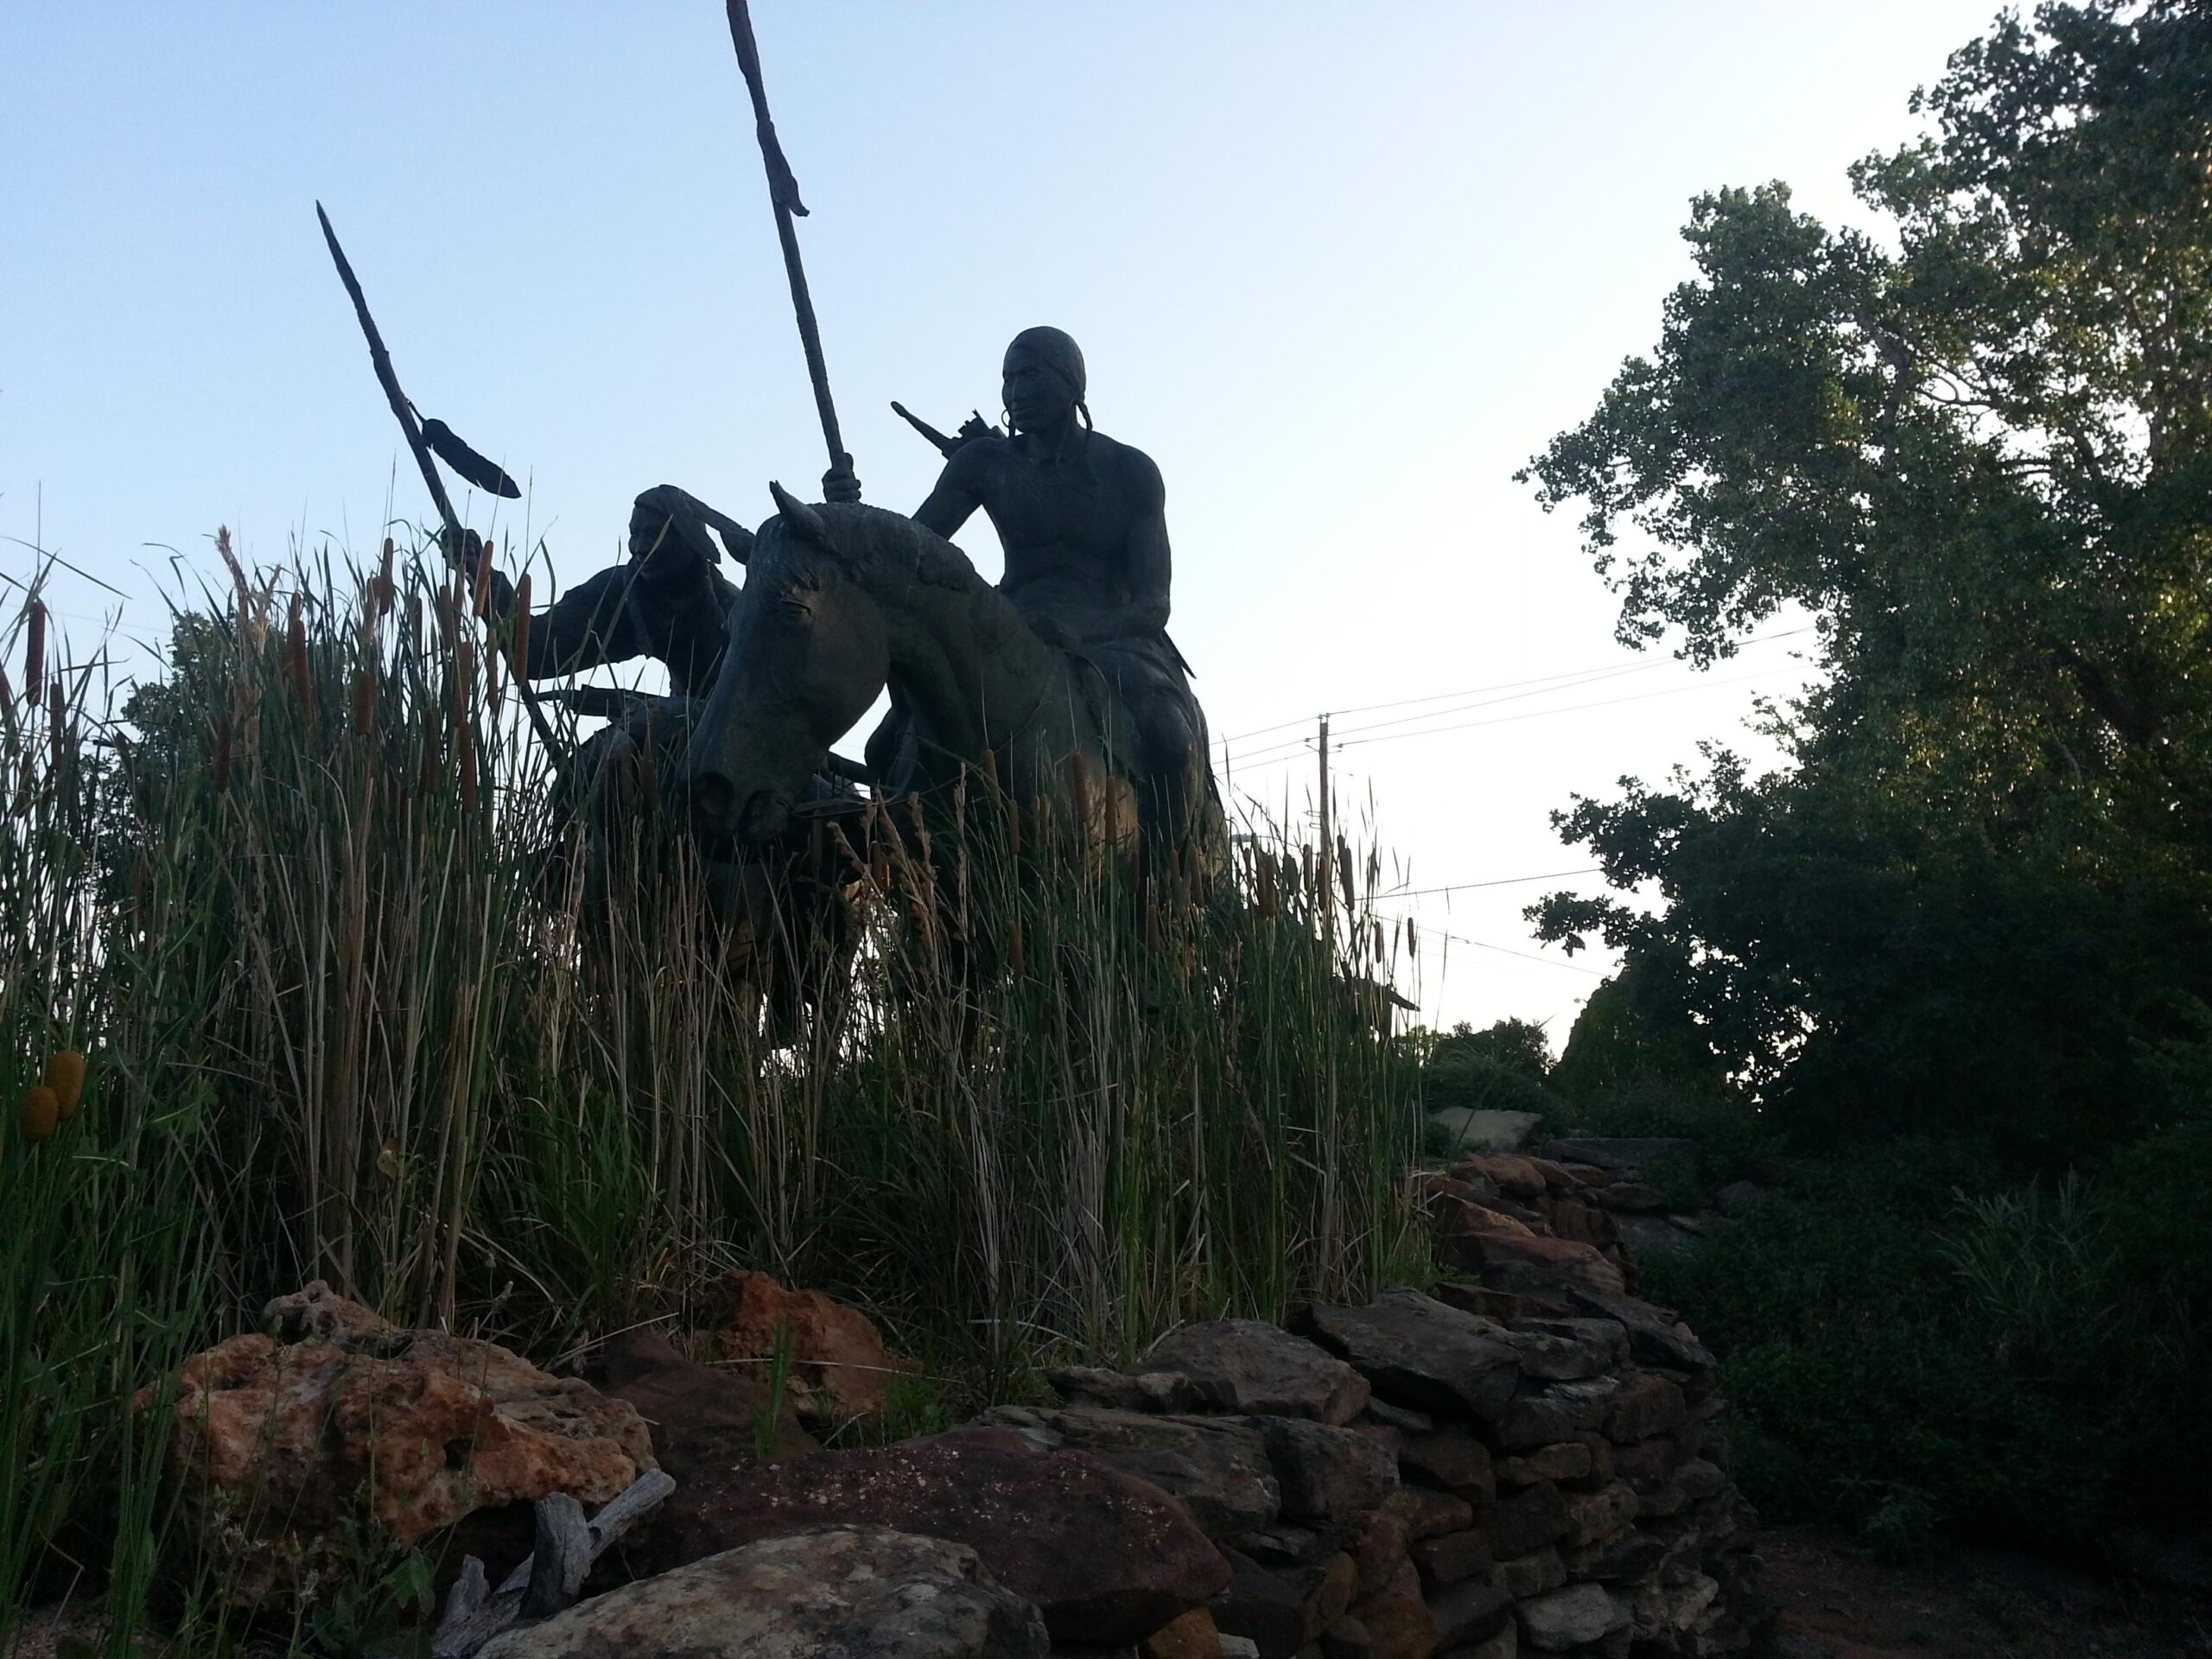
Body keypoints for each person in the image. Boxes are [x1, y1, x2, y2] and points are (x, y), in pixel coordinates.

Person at [910, 327, 1204, 843]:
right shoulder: (984, 464)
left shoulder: (1130, 472)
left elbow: (1154, 603)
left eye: (1030, 376)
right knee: (899, 737)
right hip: (1011, 627)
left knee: (1172, 743)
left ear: (1071, 383)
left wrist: (1081, 631)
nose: (1016, 392)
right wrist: (851, 512)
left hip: (1116, 641)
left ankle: (1168, 871)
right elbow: (915, 545)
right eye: (1008, 379)